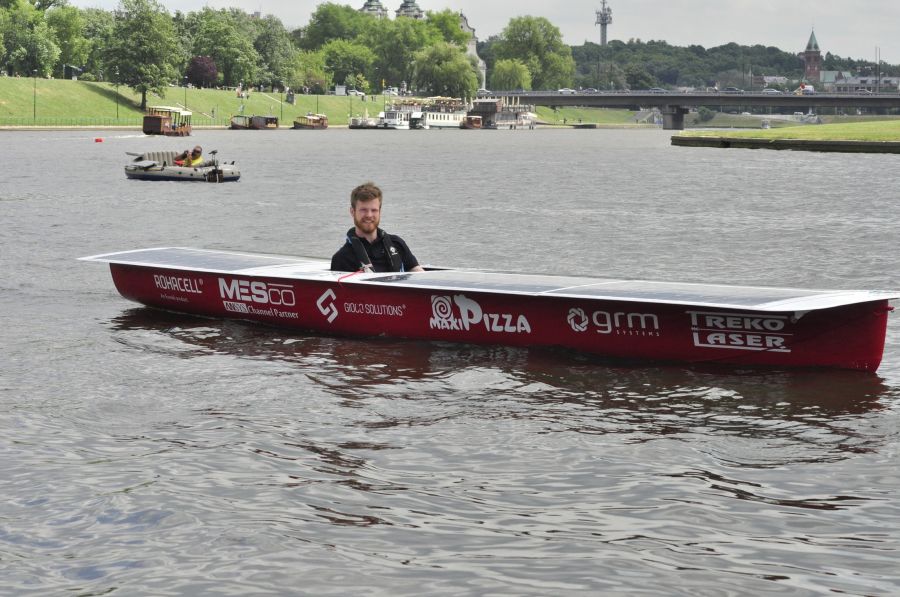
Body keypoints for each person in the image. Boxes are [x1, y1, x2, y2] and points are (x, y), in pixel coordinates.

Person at [331, 182, 424, 273]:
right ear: (352, 212)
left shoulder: (397, 244)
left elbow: (418, 274)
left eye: (374, 210)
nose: (369, 215)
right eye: (363, 210)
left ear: (380, 211)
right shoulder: (342, 258)